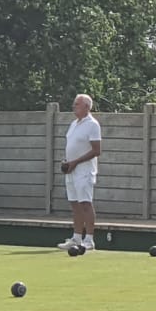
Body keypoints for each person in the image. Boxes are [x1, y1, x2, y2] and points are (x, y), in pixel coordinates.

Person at [57, 94, 102, 251]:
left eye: (77, 104)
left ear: (86, 107)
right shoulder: (74, 124)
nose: (73, 106)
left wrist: (76, 162)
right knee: (74, 203)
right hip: (71, 170)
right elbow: (72, 147)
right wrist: (67, 162)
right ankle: (76, 238)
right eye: (74, 104)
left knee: (85, 203)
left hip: (84, 170)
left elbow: (96, 150)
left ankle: (89, 240)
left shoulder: (93, 125)